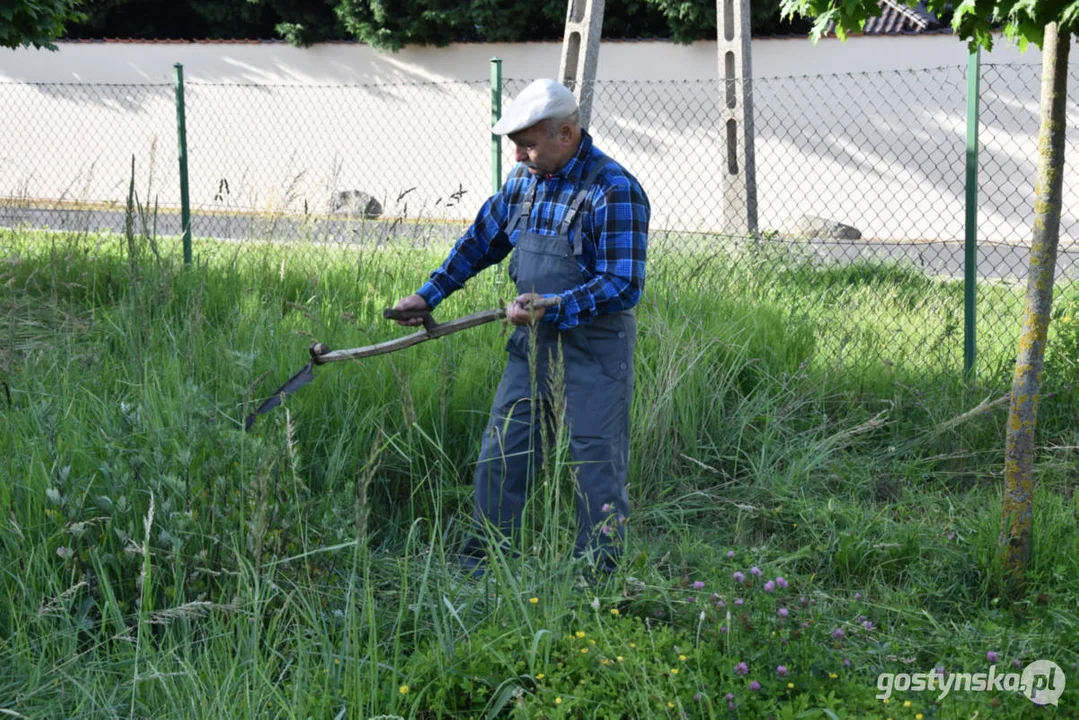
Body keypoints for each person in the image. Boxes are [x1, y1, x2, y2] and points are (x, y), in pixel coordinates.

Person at [391, 78, 650, 575]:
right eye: (516, 146)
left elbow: (623, 284)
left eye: (528, 145)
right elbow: (480, 241)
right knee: (502, 454)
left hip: (595, 350)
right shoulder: (523, 183)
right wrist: (429, 295)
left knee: (595, 466)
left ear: (567, 134)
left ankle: (597, 579)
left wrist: (553, 303)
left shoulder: (614, 190)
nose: (518, 157)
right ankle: (484, 566)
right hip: (530, 344)